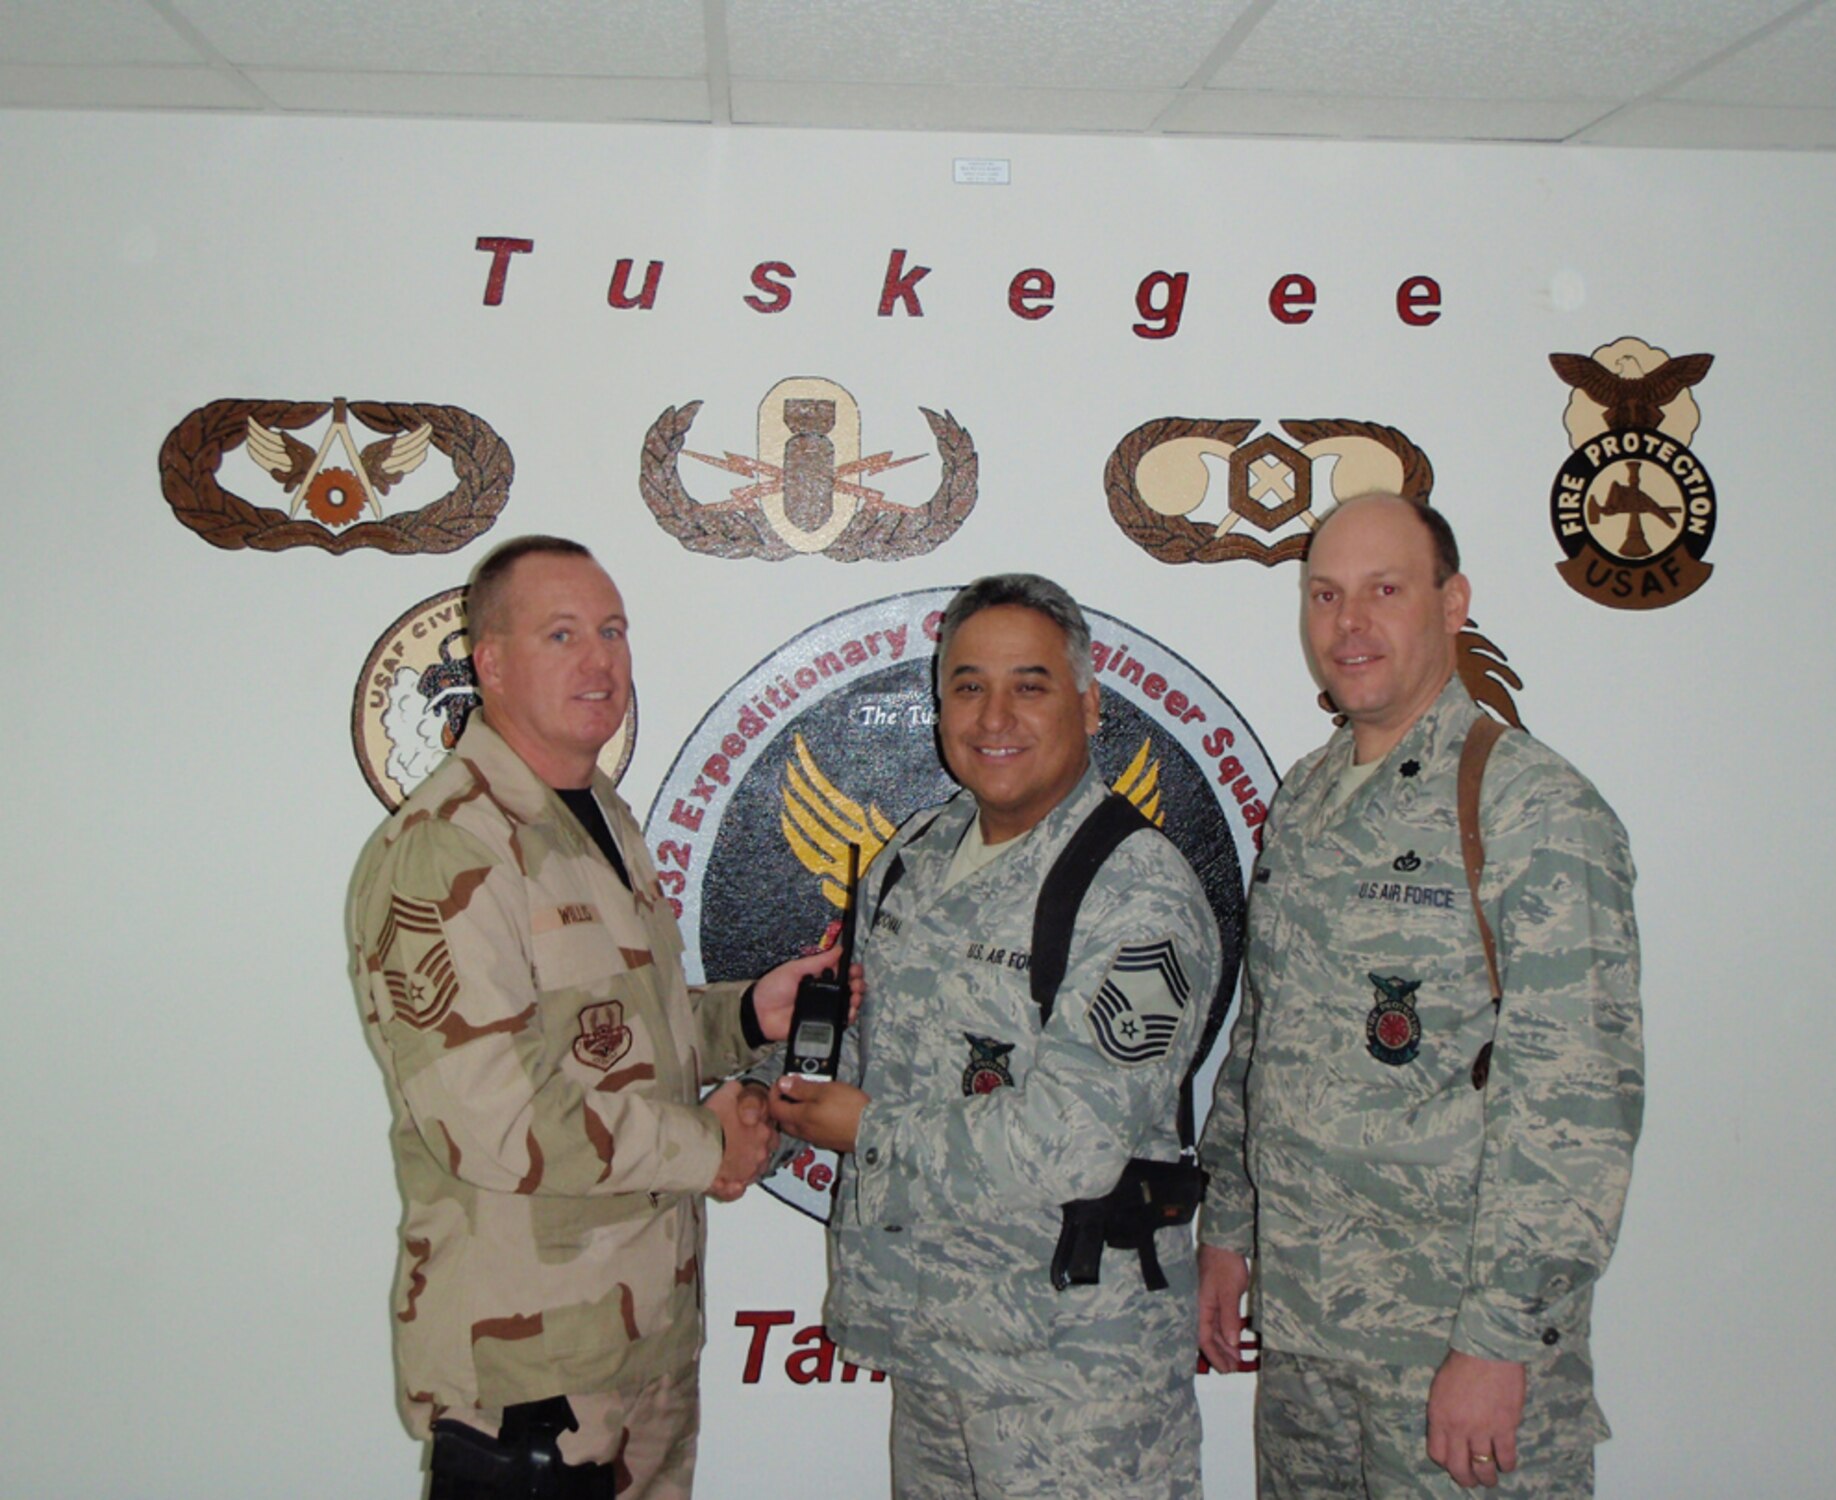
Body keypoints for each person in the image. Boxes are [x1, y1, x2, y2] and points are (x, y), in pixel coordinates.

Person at [347, 535, 849, 1500]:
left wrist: (748, 1015)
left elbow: (612, 1039)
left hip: (639, 1342)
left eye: (613, 631)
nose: (600, 661)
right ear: (491, 663)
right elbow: (493, 1114)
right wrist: (708, 1144)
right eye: (562, 634)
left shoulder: (598, 815)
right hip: (530, 1373)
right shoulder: (447, 848)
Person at [1197, 494, 1644, 1497]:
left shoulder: (1530, 808)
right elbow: (1263, 1036)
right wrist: (1229, 1225)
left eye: (1384, 591)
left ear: (1451, 604)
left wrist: (1498, 1340)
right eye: (1325, 596)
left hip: (1450, 1349)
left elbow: (1574, 1104)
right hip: (1309, 1338)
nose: (1349, 624)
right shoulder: (1306, 799)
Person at [771, 574, 1222, 1500]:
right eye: (968, 686)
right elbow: (873, 1051)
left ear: (1089, 704)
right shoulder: (916, 856)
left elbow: (1073, 1142)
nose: (994, 717)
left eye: (1030, 685)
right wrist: (770, 1095)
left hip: (1075, 1384)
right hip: (934, 1350)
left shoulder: (1137, 893)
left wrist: (866, 1130)